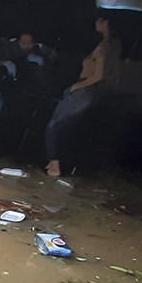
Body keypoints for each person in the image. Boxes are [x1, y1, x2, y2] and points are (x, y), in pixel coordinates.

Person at [43, 16, 120, 177]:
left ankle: (55, 165)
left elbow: (98, 76)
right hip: (91, 92)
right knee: (64, 128)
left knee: (53, 127)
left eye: (99, 21)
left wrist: (74, 87)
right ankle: (55, 163)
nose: (95, 24)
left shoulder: (103, 47)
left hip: (84, 90)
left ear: (106, 23)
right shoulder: (114, 45)